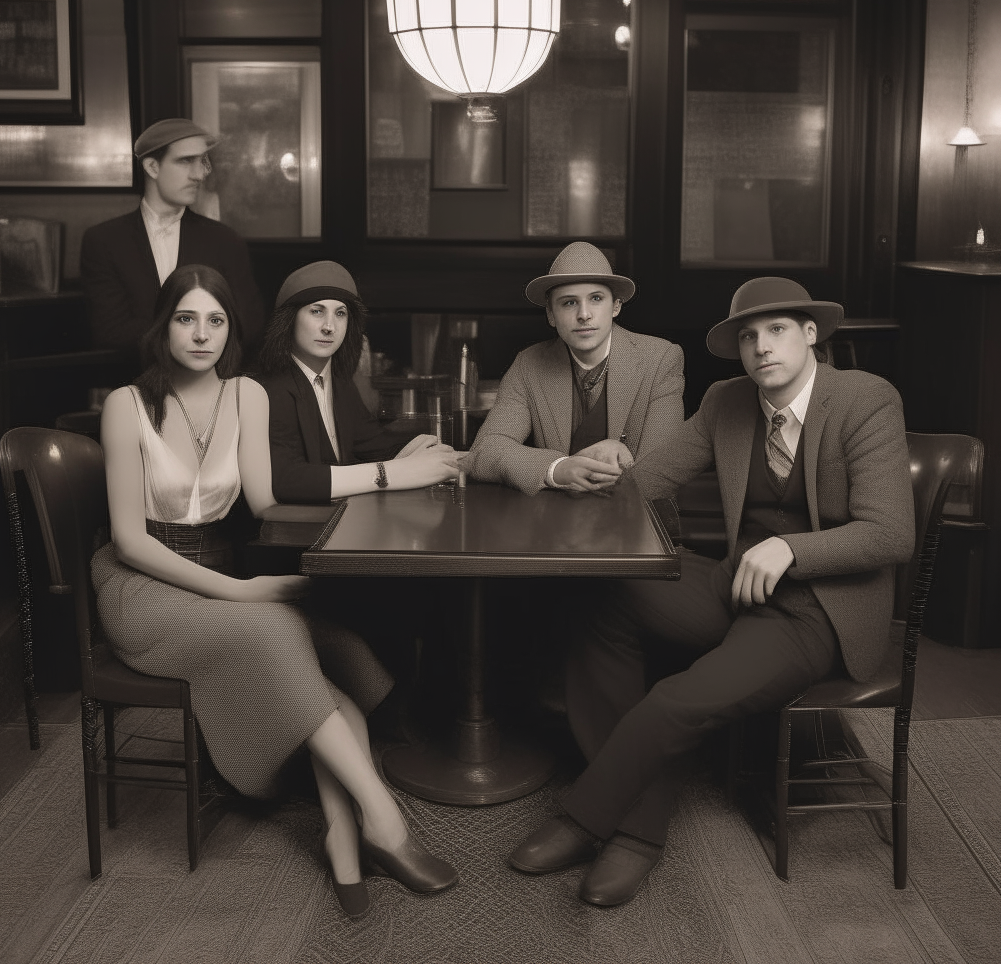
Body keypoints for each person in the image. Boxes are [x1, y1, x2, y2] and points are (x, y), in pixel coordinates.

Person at [508, 276, 916, 907]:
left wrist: (792, 549)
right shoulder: (729, 401)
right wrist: (575, 488)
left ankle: (588, 821)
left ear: (811, 335)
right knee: (601, 598)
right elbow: (647, 480)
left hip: (817, 606)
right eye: (748, 336)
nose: (761, 348)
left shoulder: (865, 401)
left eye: (777, 330)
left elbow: (891, 533)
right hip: (736, 581)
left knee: (675, 698)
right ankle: (638, 818)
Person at [91, 264, 458, 918]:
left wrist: (396, 470)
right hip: (142, 588)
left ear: (233, 331)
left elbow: (264, 496)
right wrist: (239, 594)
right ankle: (384, 821)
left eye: (215, 320)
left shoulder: (247, 397)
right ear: (163, 326)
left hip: (222, 571)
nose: (200, 334)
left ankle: (343, 835)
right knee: (275, 627)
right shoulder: (127, 404)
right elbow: (128, 541)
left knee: (335, 648)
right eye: (185, 318)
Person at [464, 241, 685, 495]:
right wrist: (557, 469)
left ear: (616, 306)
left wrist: (624, 463)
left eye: (596, 299)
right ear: (550, 314)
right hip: (557, 520)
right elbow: (485, 451)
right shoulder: (529, 364)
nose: (584, 314)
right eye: (569, 303)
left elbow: (662, 470)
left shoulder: (660, 359)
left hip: (639, 517)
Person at [259, 260, 462, 501]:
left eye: (340, 313)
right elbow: (287, 480)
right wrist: (387, 474)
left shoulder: (339, 383)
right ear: (289, 320)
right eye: (317, 311)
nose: (329, 326)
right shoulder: (268, 390)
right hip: (302, 533)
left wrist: (453, 457)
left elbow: (374, 445)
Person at [80, 118, 266, 363]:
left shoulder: (226, 241)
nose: (199, 174)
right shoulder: (104, 241)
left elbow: (249, 325)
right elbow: (110, 331)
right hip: (137, 387)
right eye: (185, 161)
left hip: (213, 385)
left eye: (202, 161)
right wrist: (199, 328)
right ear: (152, 167)